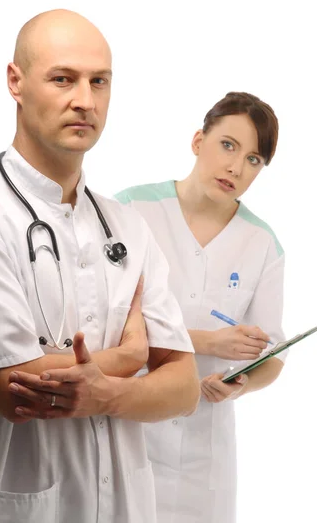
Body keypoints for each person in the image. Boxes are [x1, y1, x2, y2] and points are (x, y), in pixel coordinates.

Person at [0, 10, 200, 523]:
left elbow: (183, 386)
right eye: (63, 79)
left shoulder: (126, 226)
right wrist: (132, 355)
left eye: (100, 82)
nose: (85, 101)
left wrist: (105, 392)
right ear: (15, 82)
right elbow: (15, 391)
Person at [115, 91, 286, 523]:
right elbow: (108, 324)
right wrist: (209, 341)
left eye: (254, 160)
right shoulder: (132, 210)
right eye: (228, 145)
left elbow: (273, 352)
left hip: (205, 450)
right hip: (130, 431)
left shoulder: (263, 244)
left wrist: (242, 383)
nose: (235, 167)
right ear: (198, 141)